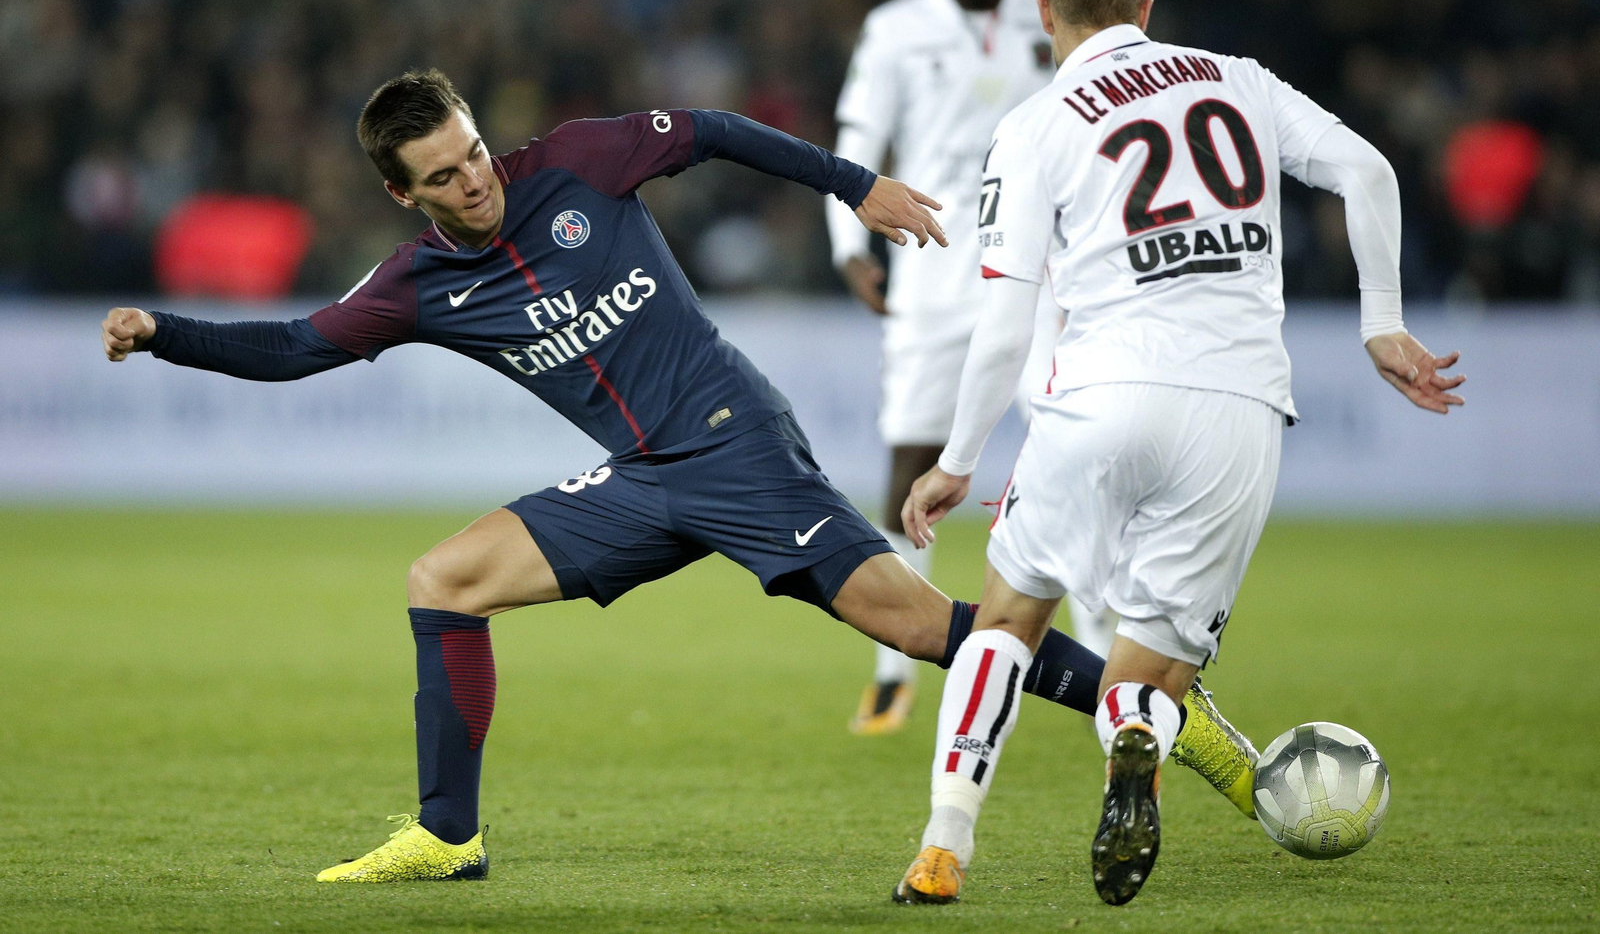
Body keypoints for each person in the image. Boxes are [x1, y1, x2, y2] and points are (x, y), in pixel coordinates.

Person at [100, 69, 1254, 883]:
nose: (476, 182)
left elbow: (708, 129)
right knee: (441, 580)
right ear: (400, 195)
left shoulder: (578, 162)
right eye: (443, 178)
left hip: (734, 440)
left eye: (472, 154)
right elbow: (298, 346)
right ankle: (447, 838)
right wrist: (163, 332)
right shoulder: (414, 286)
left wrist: (853, 185)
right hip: (644, 475)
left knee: (913, 625)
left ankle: (1148, 704)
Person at [891, 0, 1466, 907]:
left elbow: (1003, 320)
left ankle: (943, 847)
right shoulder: (1238, 78)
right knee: (1144, 671)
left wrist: (956, 457)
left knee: (1005, 619)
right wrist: (1381, 324)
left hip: (1101, 392)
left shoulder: (1035, 122)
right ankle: (1132, 738)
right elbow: (1367, 169)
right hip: (1240, 408)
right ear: (1146, 7)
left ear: (1045, 13)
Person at [825, 0, 1114, 738]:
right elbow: (856, 141)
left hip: (1039, 262)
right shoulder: (896, 29)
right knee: (912, 454)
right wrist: (848, 246)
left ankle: (1103, 645)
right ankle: (890, 666)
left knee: (1075, 440)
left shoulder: (1051, 17)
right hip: (927, 264)